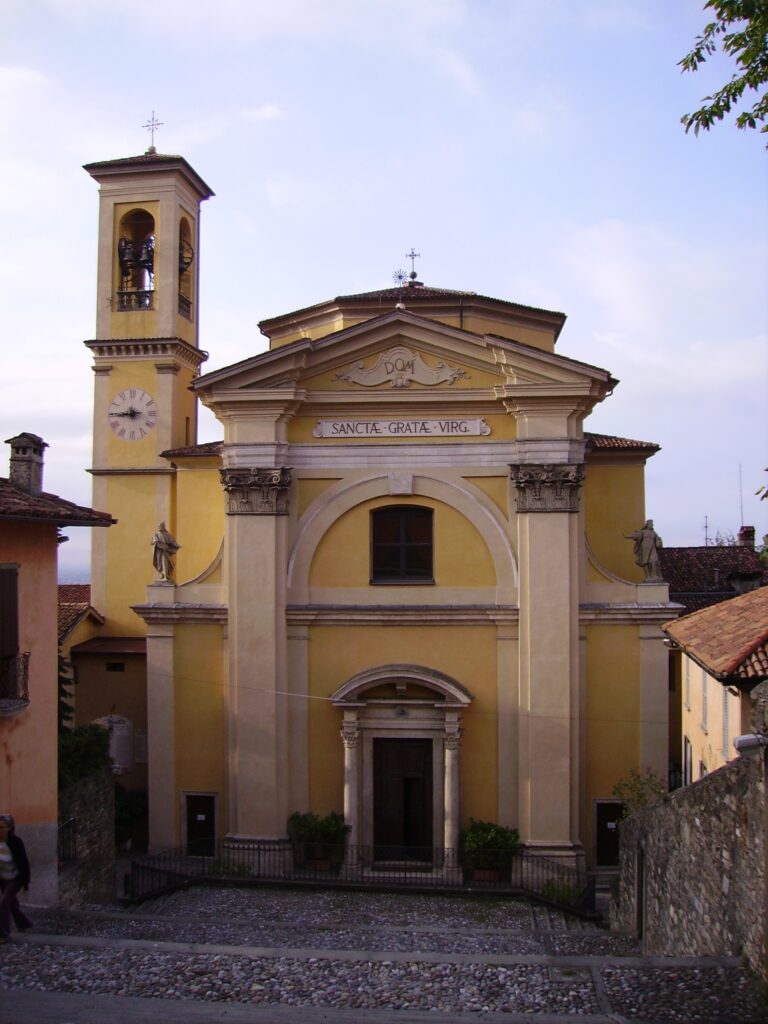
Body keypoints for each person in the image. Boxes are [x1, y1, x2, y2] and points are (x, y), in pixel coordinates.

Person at [0, 814, 32, 943]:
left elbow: (24, 863)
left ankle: (3, 934)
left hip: (15, 879)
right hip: (2, 878)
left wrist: (25, 881)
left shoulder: (15, 842)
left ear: (9, 828)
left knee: (3, 904)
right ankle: (24, 923)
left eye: (2, 827)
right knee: (12, 905)